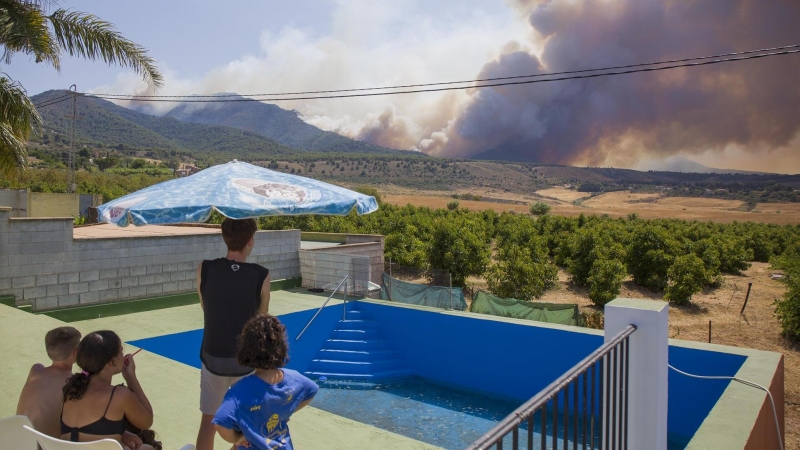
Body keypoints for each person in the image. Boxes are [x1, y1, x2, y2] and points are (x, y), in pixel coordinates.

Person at [196, 218, 271, 450]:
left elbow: (204, 305)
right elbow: (262, 317)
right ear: (250, 242)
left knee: (208, 423)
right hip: (245, 362)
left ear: (225, 238)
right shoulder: (261, 275)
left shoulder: (205, 268)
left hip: (213, 358)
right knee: (246, 425)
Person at [213, 314, 318, 450]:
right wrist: (285, 411)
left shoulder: (239, 392)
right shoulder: (295, 379)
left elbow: (220, 423)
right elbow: (312, 390)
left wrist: (237, 439)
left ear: (246, 349)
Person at [60, 330, 155, 450]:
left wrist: (121, 434)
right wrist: (131, 378)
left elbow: (81, 430)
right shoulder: (119, 395)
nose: (123, 354)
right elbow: (147, 421)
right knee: (147, 448)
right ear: (112, 361)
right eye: (121, 351)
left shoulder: (71, 389)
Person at [16, 326, 82, 438]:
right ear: (75, 352)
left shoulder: (35, 371)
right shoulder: (73, 384)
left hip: (19, 443)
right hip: (46, 446)